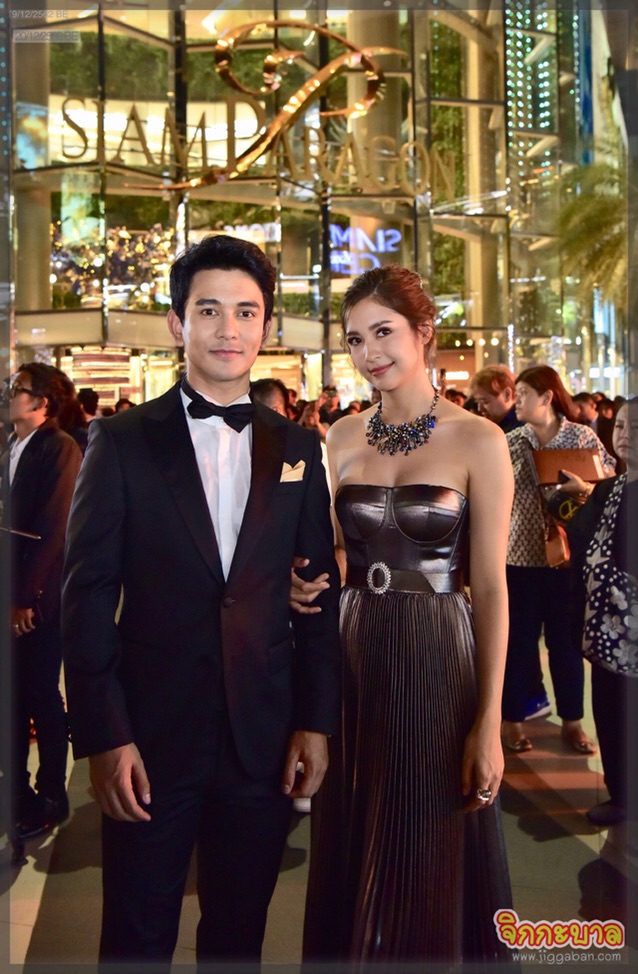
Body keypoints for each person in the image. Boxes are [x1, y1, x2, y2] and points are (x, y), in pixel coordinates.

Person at [61, 234, 342, 970]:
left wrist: (315, 721)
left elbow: (320, 596)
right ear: (177, 323)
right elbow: (86, 596)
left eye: (246, 312)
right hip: (150, 737)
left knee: (238, 939)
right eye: (209, 310)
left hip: (262, 737)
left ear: (266, 326)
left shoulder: (298, 448)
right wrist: (103, 735)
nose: (229, 329)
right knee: (135, 939)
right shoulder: (120, 441)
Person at [293, 264, 516, 964]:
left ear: (424, 332)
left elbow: (490, 587)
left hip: (437, 656)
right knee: (353, 831)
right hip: (354, 652)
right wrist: (306, 580)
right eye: (355, 339)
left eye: (383, 332)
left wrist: (489, 722)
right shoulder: (341, 436)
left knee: (428, 837)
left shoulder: (480, 439)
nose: (370, 353)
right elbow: (338, 549)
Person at [501, 366, 616, 754]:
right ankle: (513, 721)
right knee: (517, 643)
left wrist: (584, 489)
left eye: (523, 394)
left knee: (566, 644)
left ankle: (573, 721)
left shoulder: (581, 437)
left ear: (547, 397)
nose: (516, 401)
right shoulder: (511, 441)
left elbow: (608, 486)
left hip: (566, 560)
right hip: (518, 558)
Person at [1, 364, 82, 841]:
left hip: (39, 597)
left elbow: (53, 530)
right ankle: (17, 793)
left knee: (41, 694)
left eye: (18, 389)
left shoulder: (59, 447)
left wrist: (25, 598)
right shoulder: (12, 446)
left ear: (42, 402)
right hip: (12, 590)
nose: (10, 394)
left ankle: (52, 792)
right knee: (13, 696)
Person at [566, 398, 638, 826]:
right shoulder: (610, 490)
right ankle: (621, 795)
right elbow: (581, 536)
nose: (625, 434)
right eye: (622, 425)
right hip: (607, 629)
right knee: (610, 712)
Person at [469, 366, 523, 434]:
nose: (480, 408)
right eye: (477, 402)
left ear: (507, 394)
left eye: (485, 401)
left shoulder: (519, 430)